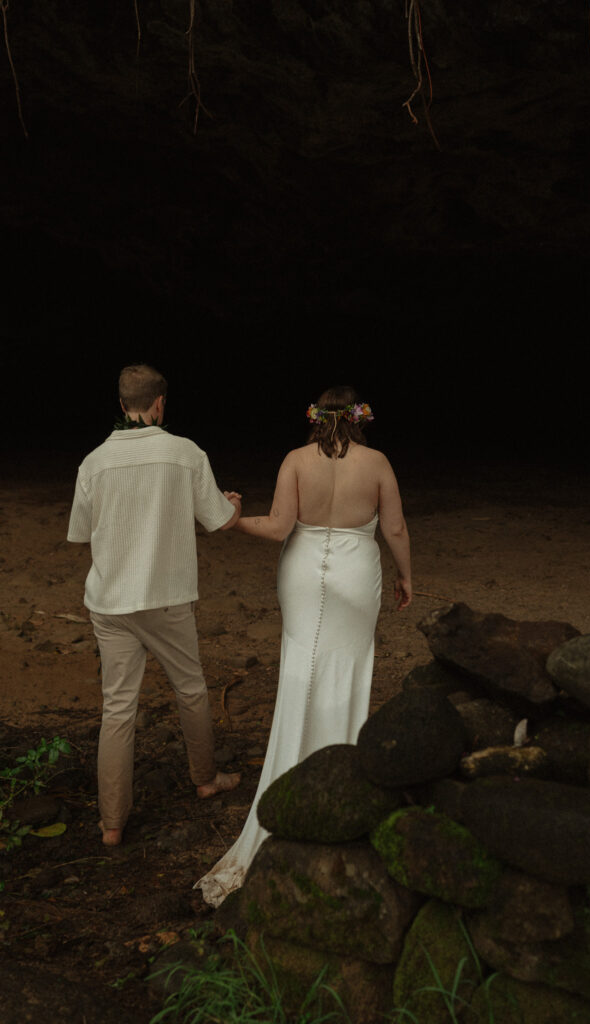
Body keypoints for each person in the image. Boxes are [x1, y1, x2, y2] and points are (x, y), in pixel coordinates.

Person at [195, 385, 411, 906]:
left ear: (315, 418)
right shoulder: (377, 462)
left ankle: (291, 774)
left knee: (301, 668)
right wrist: (407, 576)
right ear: (361, 418)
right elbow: (396, 527)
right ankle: (343, 782)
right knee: (350, 670)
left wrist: (230, 521)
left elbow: (277, 528)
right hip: (357, 573)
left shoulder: (295, 460)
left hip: (301, 569)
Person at [67, 364, 243, 847]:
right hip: (165, 599)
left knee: (117, 709)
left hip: (110, 601)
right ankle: (205, 779)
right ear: (159, 403)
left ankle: (111, 824)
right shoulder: (185, 453)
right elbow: (220, 521)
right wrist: (233, 506)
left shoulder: (94, 462)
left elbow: (80, 532)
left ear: (121, 405)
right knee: (190, 688)